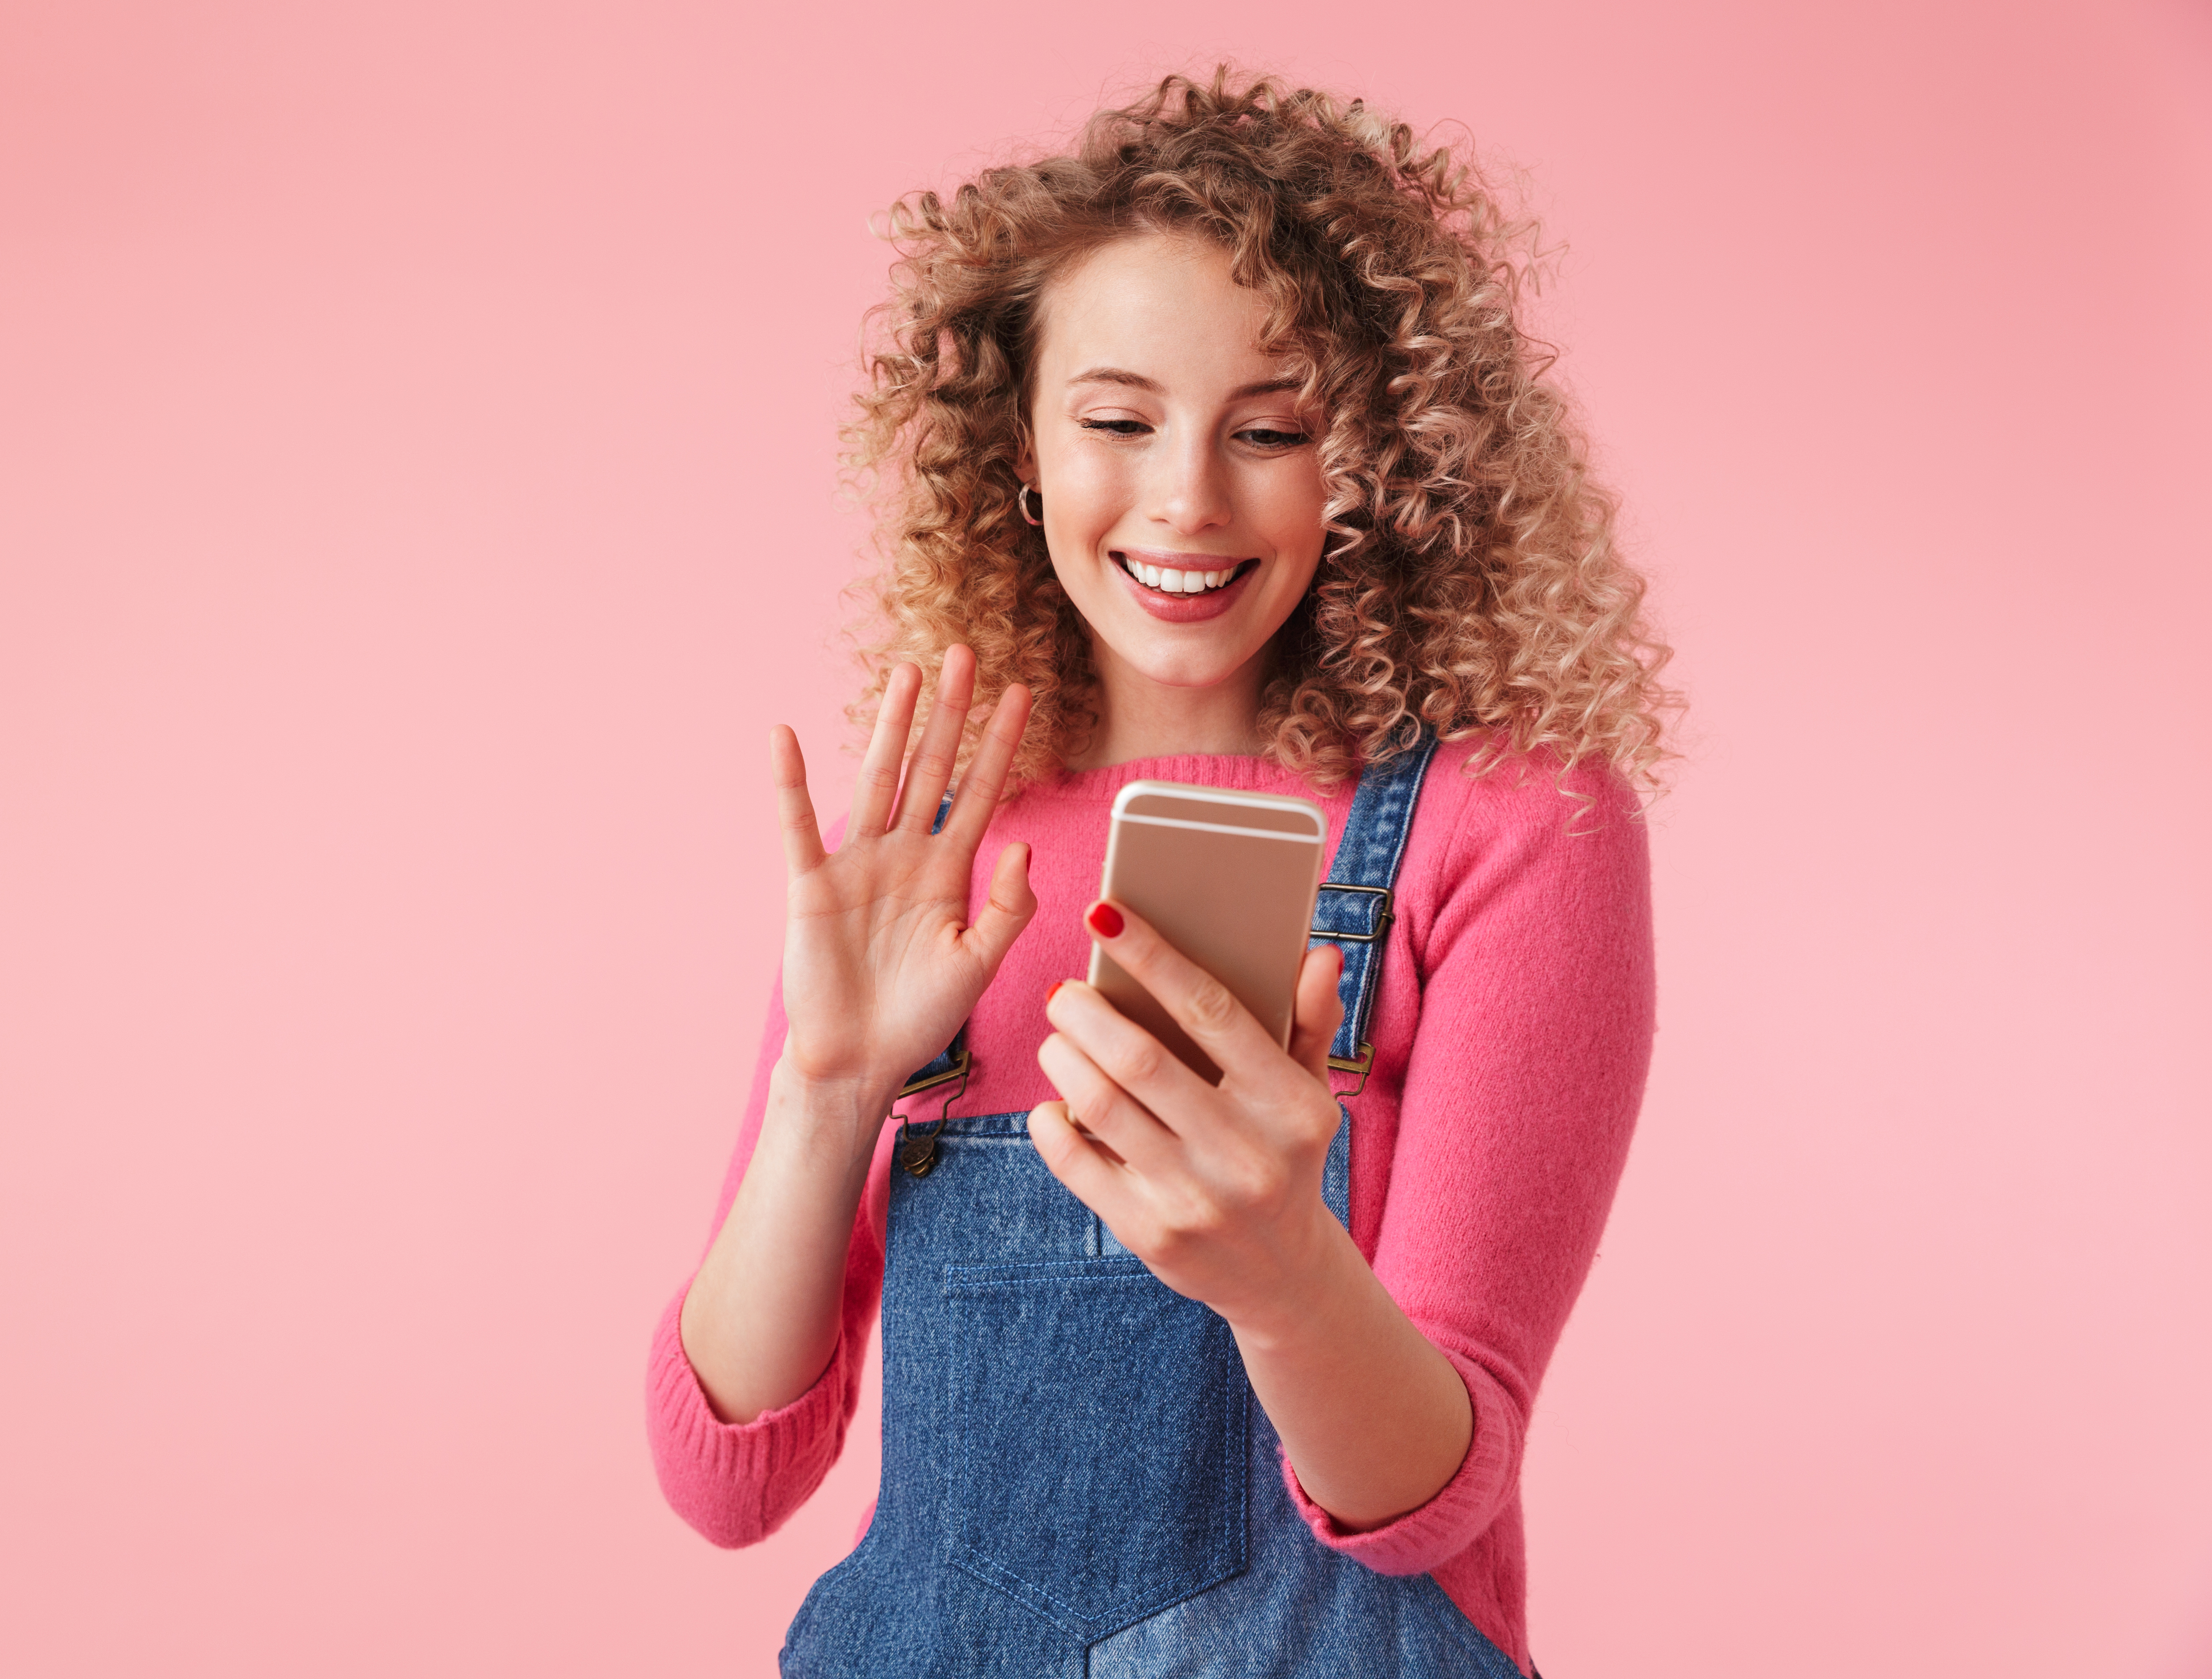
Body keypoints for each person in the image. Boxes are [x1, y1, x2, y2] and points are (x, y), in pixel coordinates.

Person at [646, 70, 1671, 1678]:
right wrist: (827, 1096)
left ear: (1381, 461)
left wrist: (1282, 1274)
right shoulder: (934, 845)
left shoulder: (1512, 825)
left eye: (1271, 430)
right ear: (1024, 449)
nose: (1188, 496)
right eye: (1119, 420)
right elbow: (728, 1475)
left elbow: (1426, 1500)